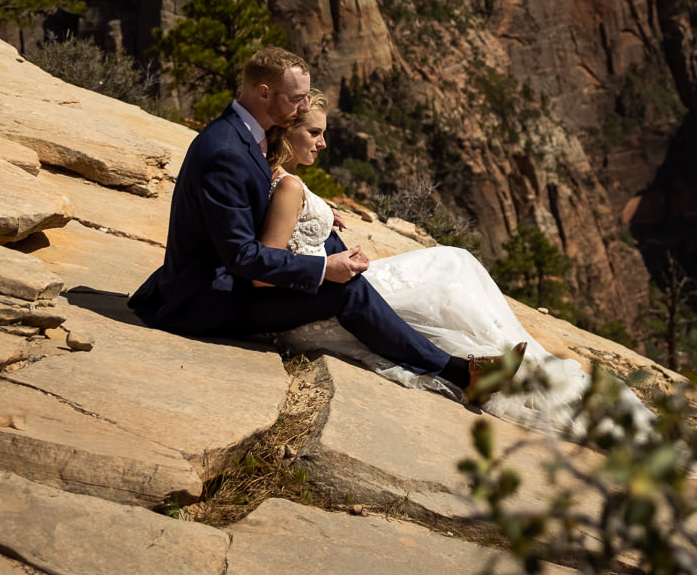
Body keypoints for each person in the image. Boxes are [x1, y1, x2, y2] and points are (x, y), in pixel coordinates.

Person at [127, 45, 508, 400]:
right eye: (296, 99)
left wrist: (314, 210)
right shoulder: (225, 151)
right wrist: (326, 270)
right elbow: (242, 257)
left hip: (225, 282)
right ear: (263, 93)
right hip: (208, 300)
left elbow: (257, 199)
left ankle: (430, 351)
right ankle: (461, 373)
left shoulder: (243, 133)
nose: (304, 105)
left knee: (327, 243)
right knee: (344, 290)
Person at [262, 95, 651, 438]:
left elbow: (287, 231)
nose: (323, 142)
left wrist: (321, 215)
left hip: (328, 282)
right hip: (322, 292)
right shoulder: (287, 185)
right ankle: (479, 368)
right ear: (287, 130)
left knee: (453, 260)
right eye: (314, 132)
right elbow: (270, 263)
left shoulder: (283, 178)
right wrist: (328, 260)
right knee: (445, 277)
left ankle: (497, 360)